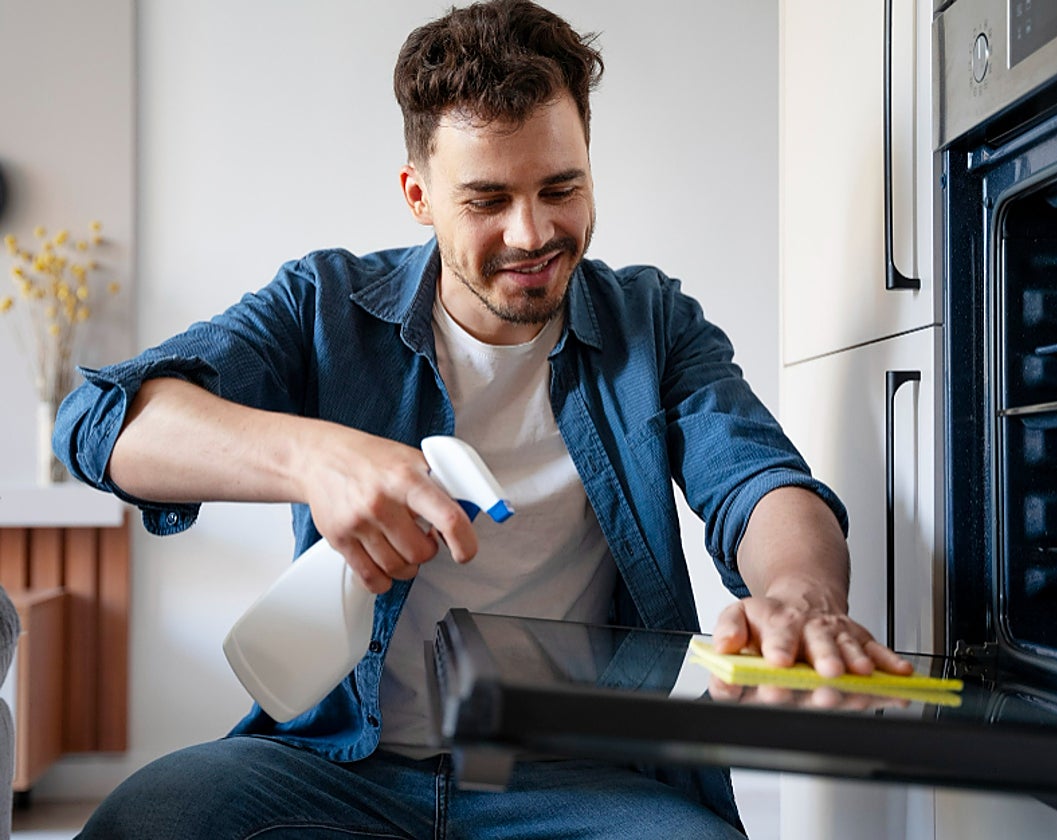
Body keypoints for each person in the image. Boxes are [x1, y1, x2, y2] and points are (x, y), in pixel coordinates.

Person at [55, 1, 911, 836]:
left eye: (561, 187)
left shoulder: (651, 323)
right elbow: (98, 422)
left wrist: (802, 594)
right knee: (148, 819)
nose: (532, 233)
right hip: (341, 768)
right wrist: (309, 458)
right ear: (418, 194)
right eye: (486, 199)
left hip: (579, 775)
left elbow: (758, 481)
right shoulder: (324, 306)